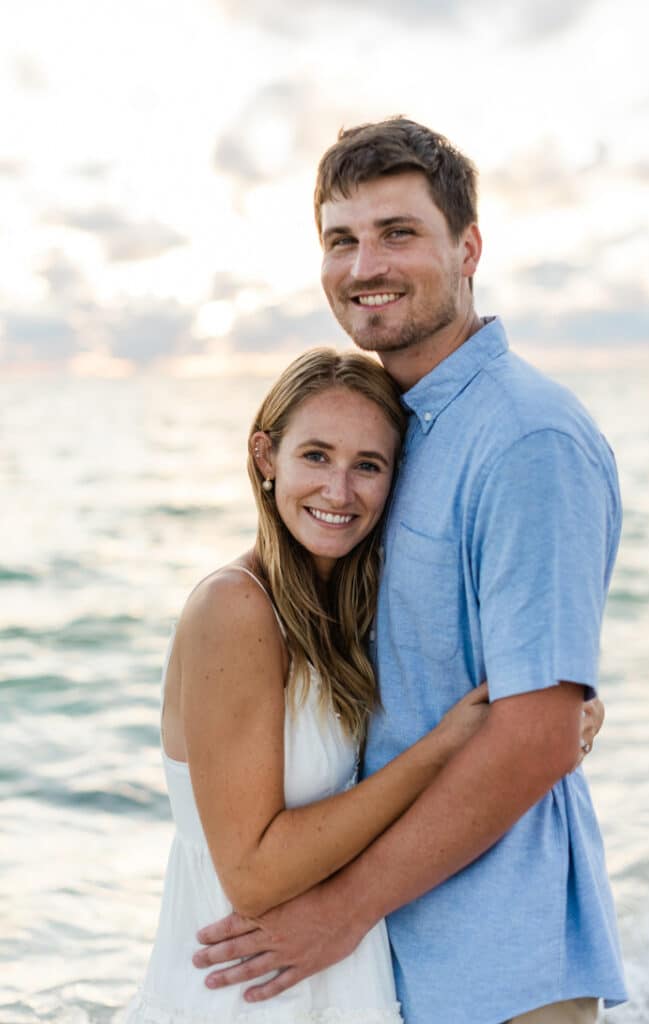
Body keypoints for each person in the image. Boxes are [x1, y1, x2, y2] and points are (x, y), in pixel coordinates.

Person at [192, 119, 627, 1024]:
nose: (364, 267)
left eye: (398, 233)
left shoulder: (524, 437)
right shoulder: (397, 430)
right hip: (388, 964)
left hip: (500, 959)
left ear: (466, 247)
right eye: (340, 240)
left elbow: (536, 733)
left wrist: (342, 911)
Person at [125, 347, 514, 1023]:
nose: (339, 491)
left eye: (368, 465)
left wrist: (552, 700)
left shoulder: (353, 613)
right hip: (244, 992)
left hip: (330, 974)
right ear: (264, 457)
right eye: (315, 456)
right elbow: (253, 875)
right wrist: (441, 751)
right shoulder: (235, 607)